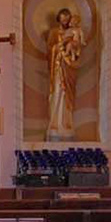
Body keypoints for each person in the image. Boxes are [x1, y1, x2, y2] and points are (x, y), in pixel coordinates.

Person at [45, 7, 86, 140]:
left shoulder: (74, 32)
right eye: (63, 20)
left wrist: (72, 48)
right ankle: (55, 124)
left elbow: (79, 49)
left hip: (69, 68)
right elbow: (50, 49)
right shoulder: (54, 32)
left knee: (67, 93)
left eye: (67, 20)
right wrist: (58, 49)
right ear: (59, 19)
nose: (65, 23)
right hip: (57, 68)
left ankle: (67, 124)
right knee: (57, 93)